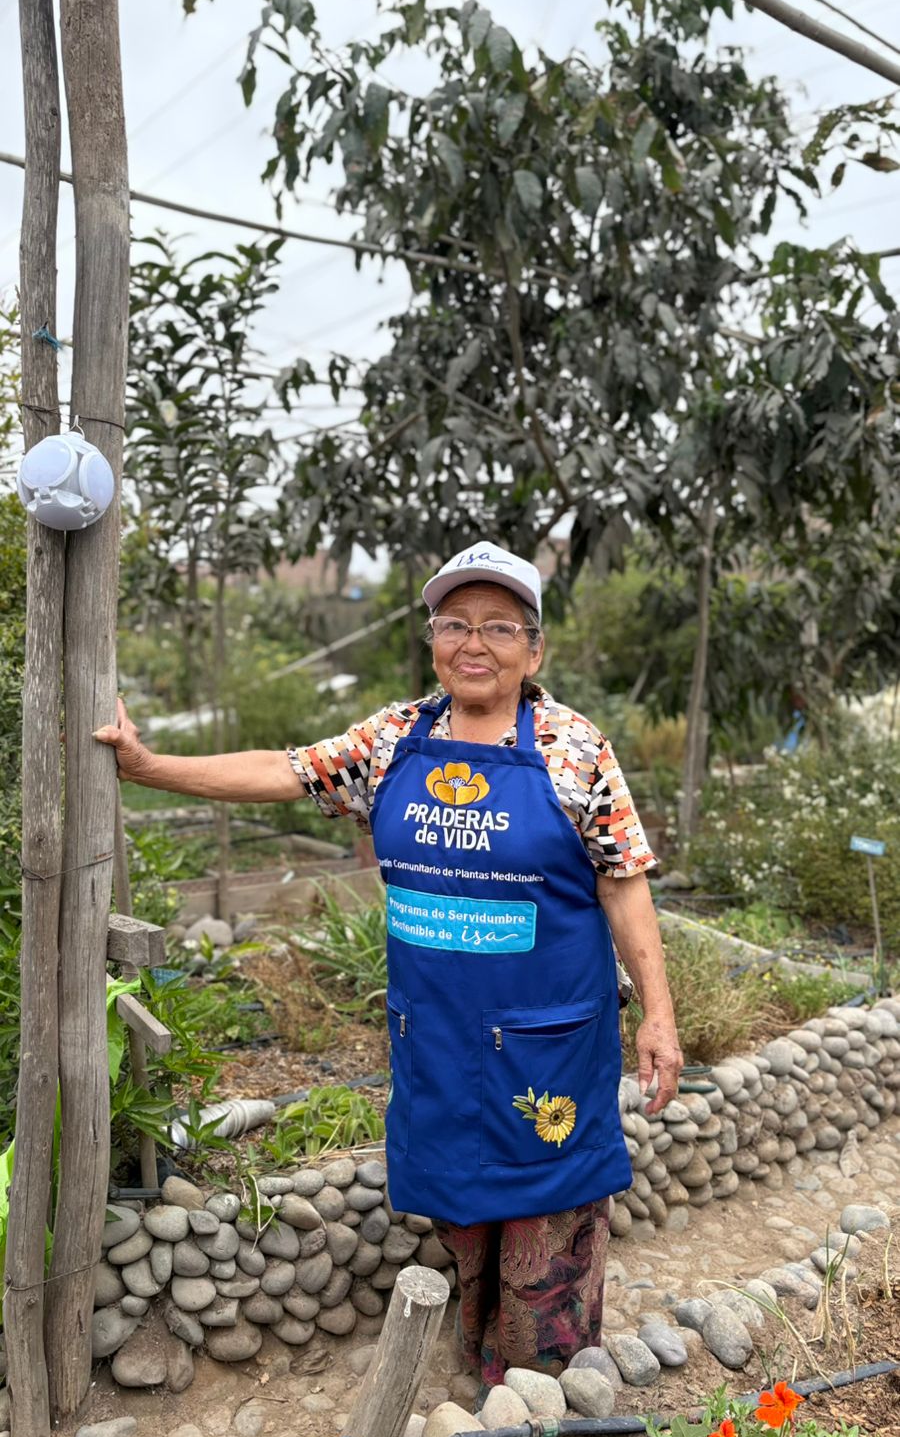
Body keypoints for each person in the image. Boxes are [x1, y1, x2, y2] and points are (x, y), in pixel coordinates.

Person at [95, 540, 683, 1384]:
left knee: (548, 1210)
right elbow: (285, 769)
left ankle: (545, 1391)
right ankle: (480, 1361)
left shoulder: (574, 748)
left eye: (497, 627)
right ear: (433, 639)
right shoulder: (393, 737)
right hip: (438, 1030)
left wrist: (658, 1017)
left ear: (534, 648)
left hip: (548, 1030)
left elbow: (624, 883)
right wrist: (150, 767)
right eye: (453, 624)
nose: (472, 643)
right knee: (460, 1207)